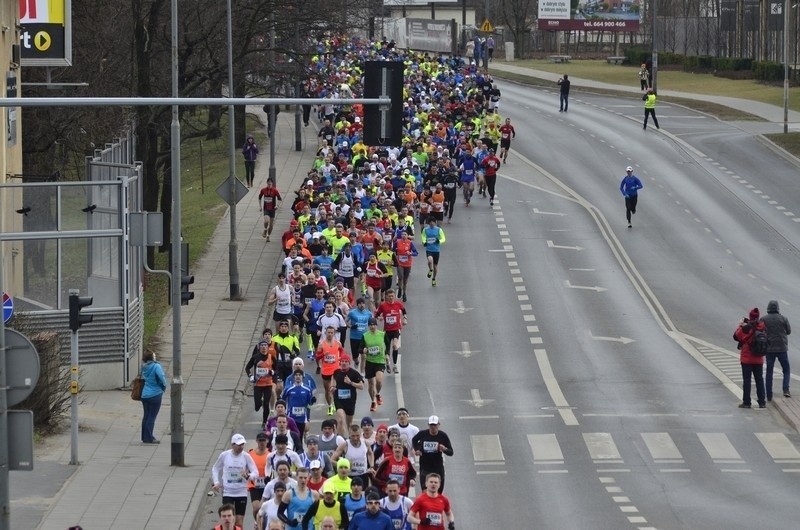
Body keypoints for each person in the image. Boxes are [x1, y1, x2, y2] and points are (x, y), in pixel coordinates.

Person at [211, 434, 260, 530]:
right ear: (232, 444)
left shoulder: (246, 456)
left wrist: (248, 476)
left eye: (242, 444)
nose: (241, 447)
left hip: (241, 492)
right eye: (239, 445)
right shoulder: (225, 455)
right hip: (227, 492)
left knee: (239, 521)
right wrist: (216, 482)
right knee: (227, 519)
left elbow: (256, 473)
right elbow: (215, 468)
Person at [733, 308, 767, 408]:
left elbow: (736, 336)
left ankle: (747, 402)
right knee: (759, 380)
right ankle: (762, 402)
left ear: (750, 316)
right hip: (759, 358)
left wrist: (740, 325)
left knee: (747, 380)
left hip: (747, 358)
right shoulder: (763, 327)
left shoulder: (746, 327)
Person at [412, 416, 453, 493]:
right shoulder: (422, 434)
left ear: (438, 425)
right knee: (425, 492)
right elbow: (414, 440)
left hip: (438, 468)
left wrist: (444, 449)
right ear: (428, 425)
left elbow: (451, 452)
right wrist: (417, 449)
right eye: (431, 425)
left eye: (435, 425)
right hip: (425, 468)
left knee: (438, 493)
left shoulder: (443, 436)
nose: (433, 427)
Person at [760, 300, 792, 400]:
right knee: (786, 369)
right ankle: (786, 389)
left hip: (769, 348)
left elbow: (760, 331)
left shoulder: (764, 319)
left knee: (769, 371)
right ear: (777, 308)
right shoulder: (783, 318)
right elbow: (788, 331)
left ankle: (769, 394)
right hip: (782, 348)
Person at [246, 339, 276, 428]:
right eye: (262, 346)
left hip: (268, 384)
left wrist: (273, 372)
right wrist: (250, 375)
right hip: (258, 384)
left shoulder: (271, 357)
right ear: (259, 348)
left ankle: (264, 421)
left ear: (267, 347)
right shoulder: (255, 358)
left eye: (265, 346)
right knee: (257, 406)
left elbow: (277, 368)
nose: (264, 348)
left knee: (266, 404)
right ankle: (259, 403)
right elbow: (247, 368)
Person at [331, 356, 366, 434]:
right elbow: (333, 378)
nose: (343, 363)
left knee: (349, 424)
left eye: (345, 361)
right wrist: (332, 386)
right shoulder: (336, 372)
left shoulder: (354, 373)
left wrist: (350, 383)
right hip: (338, 399)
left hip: (350, 401)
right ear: (340, 363)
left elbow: (361, 386)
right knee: (340, 420)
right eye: (342, 361)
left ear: (349, 363)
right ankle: (340, 439)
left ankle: (351, 438)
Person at [140, 351, 167, 444]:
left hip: (144, 394)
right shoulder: (156, 366)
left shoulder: (144, 367)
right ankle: (149, 438)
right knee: (152, 416)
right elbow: (162, 378)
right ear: (153, 358)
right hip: (155, 394)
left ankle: (144, 436)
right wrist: (164, 387)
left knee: (146, 416)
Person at [362, 318, 386, 412]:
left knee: (379, 380)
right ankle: (373, 401)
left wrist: (387, 354)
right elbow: (360, 348)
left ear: (376, 325)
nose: (372, 326)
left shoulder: (382, 334)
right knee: (371, 384)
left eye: (374, 325)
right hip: (369, 362)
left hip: (380, 361)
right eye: (370, 325)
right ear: (368, 326)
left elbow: (387, 344)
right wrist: (363, 350)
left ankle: (378, 394)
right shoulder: (365, 336)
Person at [247, 432, 271, 521]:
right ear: (256, 441)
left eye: (263, 441)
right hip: (254, 485)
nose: (262, 443)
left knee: (266, 508)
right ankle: (257, 522)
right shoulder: (250, 454)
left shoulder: (270, 454)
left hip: (267, 485)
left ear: (267, 441)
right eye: (260, 441)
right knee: (256, 507)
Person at [421, 217, 446, 287]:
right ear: (429, 223)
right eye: (430, 222)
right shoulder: (426, 229)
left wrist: (439, 241)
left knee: (435, 266)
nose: (431, 223)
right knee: (429, 260)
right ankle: (430, 269)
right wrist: (424, 242)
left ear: (435, 222)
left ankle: (434, 278)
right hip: (429, 249)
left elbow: (443, 238)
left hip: (436, 250)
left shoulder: (439, 230)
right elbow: (423, 236)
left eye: (433, 222)